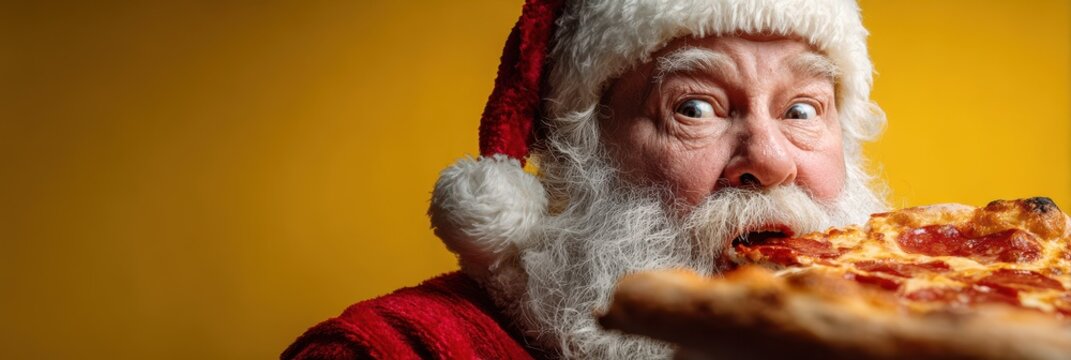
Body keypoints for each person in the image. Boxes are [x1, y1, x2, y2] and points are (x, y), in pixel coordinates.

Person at [282, 0, 888, 358]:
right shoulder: (387, 352)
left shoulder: (932, 327)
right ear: (580, 149)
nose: (771, 160)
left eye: (802, 111)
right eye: (694, 108)